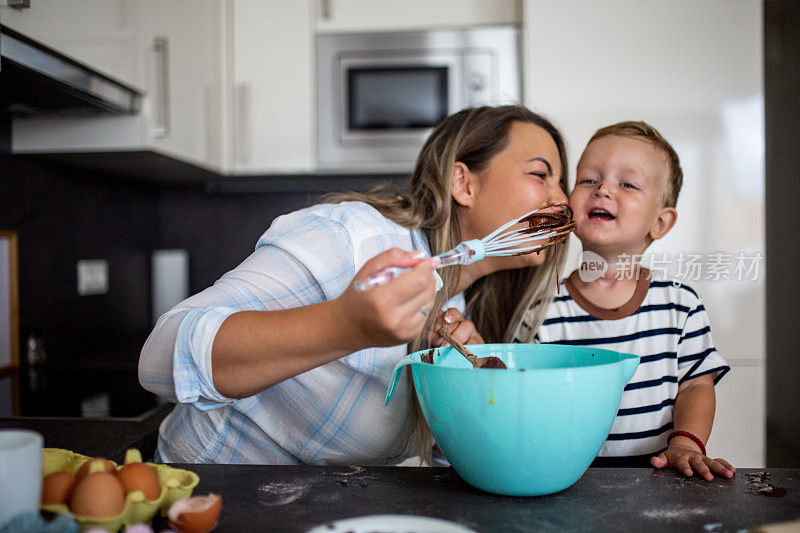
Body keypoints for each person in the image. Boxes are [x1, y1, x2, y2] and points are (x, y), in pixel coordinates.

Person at [138, 105, 569, 465]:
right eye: (540, 175)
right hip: (210, 495)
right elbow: (159, 359)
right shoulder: (352, 238)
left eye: (563, 184)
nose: (561, 199)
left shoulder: (467, 308)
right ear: (463, 183)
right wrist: (346, 325)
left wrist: (452, 393)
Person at [514, 121, 735, 480]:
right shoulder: (541, 311)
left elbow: (696, 384)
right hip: (567, 480)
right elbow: (523, 396)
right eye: (588, 180)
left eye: (627, 184)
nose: (602, 189)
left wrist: (686, 445)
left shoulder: (680, 305)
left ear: (660, 223)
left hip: (656, 478)